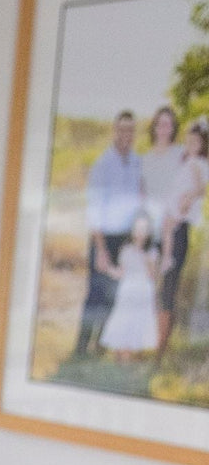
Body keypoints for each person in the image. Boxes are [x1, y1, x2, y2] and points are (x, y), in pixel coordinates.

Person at [76, 110, 144, 357]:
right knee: (95, 293)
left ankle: (100, 346)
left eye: (131, 130)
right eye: (122, 129)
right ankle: (81, 347)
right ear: (115, 131)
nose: (126, 134)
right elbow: (94, 210)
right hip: (103, 238)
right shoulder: (103, 164)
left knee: (114, 295)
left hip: (125, 240)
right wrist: (101, 249)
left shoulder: (136, 162)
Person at [158, 119, 209, 354]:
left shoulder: (197, 163)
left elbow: (200, 189)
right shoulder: (186, 160)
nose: (190, 145)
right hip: (175, 209)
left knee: (169, 283)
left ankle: (162, 344)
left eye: (195, 142)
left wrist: (188, 199)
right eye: (188, 141)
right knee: (167, 227)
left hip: (181, 214)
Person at [100, 211, 160, 359]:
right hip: (127, 289)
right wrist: (108, 268)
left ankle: (131, 354)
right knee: (123, 318)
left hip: (143, 290)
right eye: (137, 229)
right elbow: (121, 272)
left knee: (137, 320)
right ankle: (119, 353)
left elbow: (153, 276)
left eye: (144, 229)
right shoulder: (125, 249)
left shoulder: (152, 252)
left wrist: (146, 259)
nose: (140, 233)